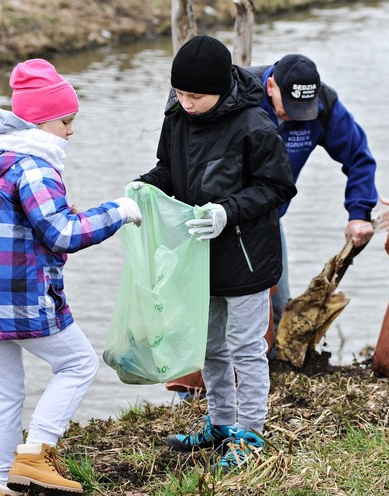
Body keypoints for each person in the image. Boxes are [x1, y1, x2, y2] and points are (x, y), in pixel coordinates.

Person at [0, 58, 142, 496]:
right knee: (78, 364)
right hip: (19, 296)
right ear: (41, 121)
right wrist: (118, 211)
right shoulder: (35, 165)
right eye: (66, 121)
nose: (70, 131)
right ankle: (35, 454)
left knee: (2, 393)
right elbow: (62, 234)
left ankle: (8, 492)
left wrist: (62, 216)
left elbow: (24, 224)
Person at [136, 35, 296, 472]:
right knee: (210, 346)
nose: (186, 103)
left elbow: (278, 187)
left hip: (246, 256)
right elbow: (168, 170)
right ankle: (220, 423)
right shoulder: (177, 116)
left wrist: (229, 211)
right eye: (180, 93)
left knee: (245, 347)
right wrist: (144, 189)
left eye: (195, 96)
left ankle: (251, 433)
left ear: (221, 89)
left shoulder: (254, 126)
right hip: (198, 256)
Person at [245, 54, 381, 333]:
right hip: (228, 216)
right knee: (233, 305)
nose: (294, 115)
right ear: (270, 86)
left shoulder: (325, 106)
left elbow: (358, 157)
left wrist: (359, 213)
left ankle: (268, 372)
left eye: (302, 109)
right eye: (289, 106)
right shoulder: (242, 94)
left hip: (270, 220)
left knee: (278, 309)